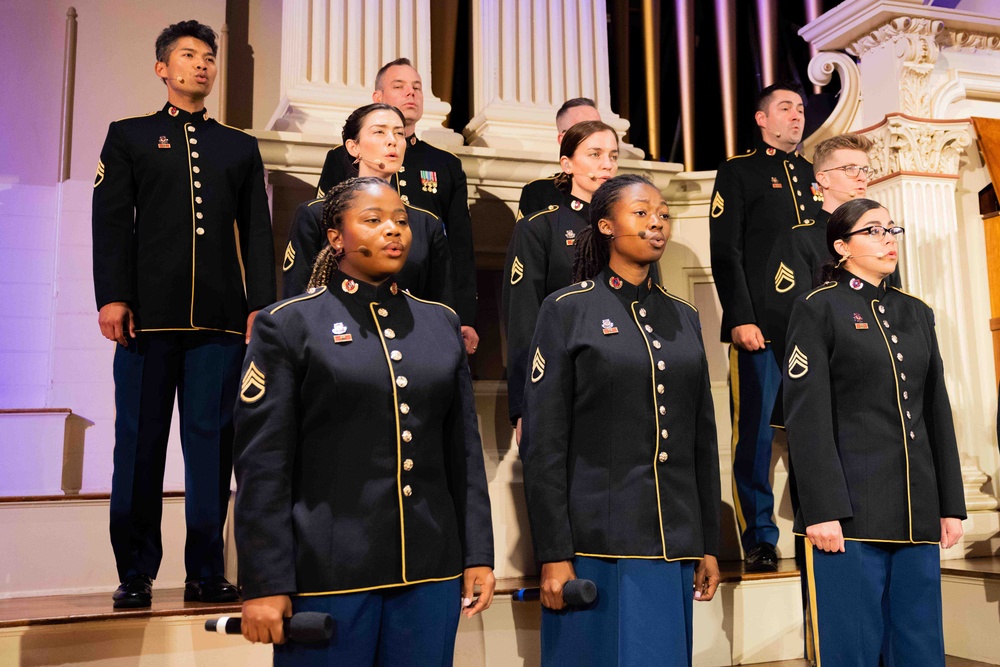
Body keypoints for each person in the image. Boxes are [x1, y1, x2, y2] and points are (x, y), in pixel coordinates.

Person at [234, 177, 495, 665]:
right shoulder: (289, 324)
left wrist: (477, 553)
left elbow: (463, 452)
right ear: (336, 237)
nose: (393, 230)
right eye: (373, 220)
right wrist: (265, 580)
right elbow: (263, 465)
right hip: (328, 574)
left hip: (429, 571)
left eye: (401, 220)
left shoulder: (440, 323)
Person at [92, 20, 275, 609]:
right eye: (189, 55)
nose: (201, 65)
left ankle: (206, 572)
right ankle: (135, 572)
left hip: (220, 324)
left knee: (213, 449)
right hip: (145, 321)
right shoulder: (129, 135)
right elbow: (111, 222)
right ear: (162, 69)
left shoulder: (239, 146)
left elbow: (259, 232)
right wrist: (112, 296)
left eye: (208, 57)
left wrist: (259, 305)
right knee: (138, 447)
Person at [520, 174, 721, 666]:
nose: (657, 222)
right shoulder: (567, 309)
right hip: (598, 542)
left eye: (663, 214)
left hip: (674, 540)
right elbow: (544, 443)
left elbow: (701, 437)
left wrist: (707, 543)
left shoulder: (684, 314)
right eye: (641, 212)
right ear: (606, 225)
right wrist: (554, 552)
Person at [783, 197, 966, 666]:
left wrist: (949, 504)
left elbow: (935, 411)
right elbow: (807, 417)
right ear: (841, 246)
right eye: (873, 230)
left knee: (920, 647)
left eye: (891, 229)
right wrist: (822, 509)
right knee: (853, 648)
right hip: (850, 515)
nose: (888, 239)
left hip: (915, 508)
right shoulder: (818, 308)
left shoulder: (916, 312)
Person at [709, 81, 822, 572]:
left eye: (800, 108)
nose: (796, 115)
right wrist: (740, 316)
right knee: (754, 437)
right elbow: (725, 250)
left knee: (815, 430)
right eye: (785, 108)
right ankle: (758, 537)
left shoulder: (813, 174)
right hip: (762, 329)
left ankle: (817, 523)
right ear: (761, 118)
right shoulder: (738, 171)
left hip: (813, 328)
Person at [314, 58, 479, 355]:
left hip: (420, 297)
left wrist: (463, 315)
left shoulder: (445, 164)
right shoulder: (342, 156)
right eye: (399, 86)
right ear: (377, 96)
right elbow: (325, 233)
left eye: (417, 87)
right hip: (351, 300)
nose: (411, 93)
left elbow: (459, 247)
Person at [502, 120, 621, 441]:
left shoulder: (631, 228)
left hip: (622, 378)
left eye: (613, 156)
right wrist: (522, 406)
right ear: (567, 164)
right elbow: (523, 320)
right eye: (595, 154)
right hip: (561, 378)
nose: (607, 164)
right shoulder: (539, 227)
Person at [282, 103, 451, 307]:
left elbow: (439, 308)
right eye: (379, 132)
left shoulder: (427, 224)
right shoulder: (317, 214)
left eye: (399, 133)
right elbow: (296, 302)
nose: (393, 141)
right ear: (354, 147)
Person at [764, 133, 876, 372]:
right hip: (825, 372)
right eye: (850, 169)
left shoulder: (877, 239)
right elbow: (791, 321)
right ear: (823, 178)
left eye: (865, 169)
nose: (861, 177)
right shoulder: (799, 240)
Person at [516, 98, 603, 220]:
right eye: (584, 129)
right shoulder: (540, 192)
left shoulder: (620, 190)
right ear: (563, 139)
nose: (596, 135)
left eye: (599, 127)